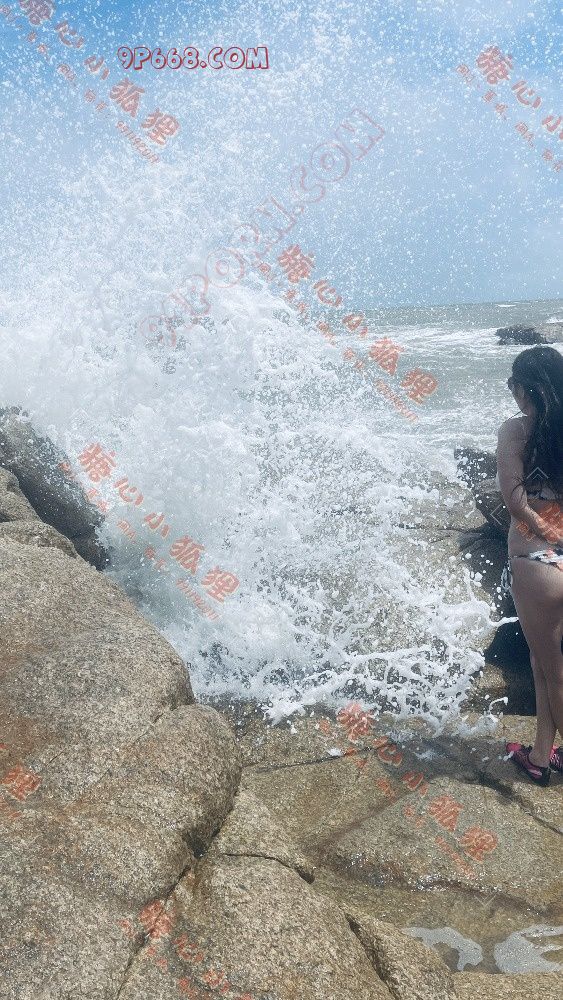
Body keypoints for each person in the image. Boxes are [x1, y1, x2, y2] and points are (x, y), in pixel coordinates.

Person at [495, 346, 563, 785]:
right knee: (542, 662)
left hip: (536, 559)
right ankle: (540, 754)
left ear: (526, 389)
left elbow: (515, 499)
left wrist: (545, 531)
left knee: (556, 672)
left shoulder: (516, 430)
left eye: (513, 386)